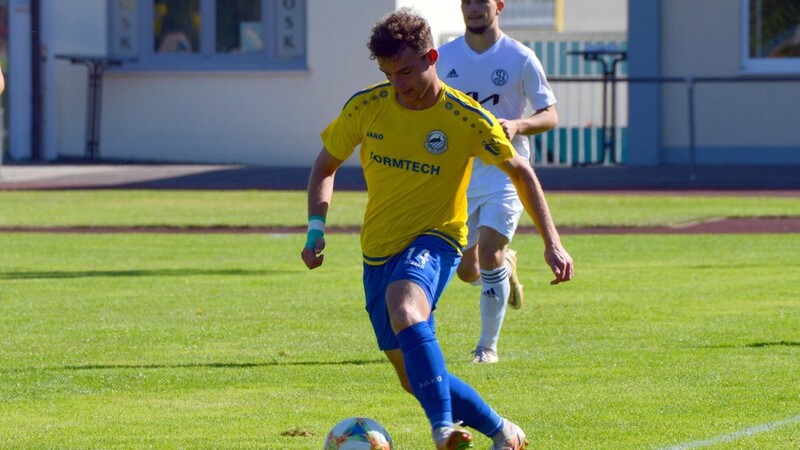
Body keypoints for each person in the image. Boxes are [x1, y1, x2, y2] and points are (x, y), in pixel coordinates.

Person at [301, 8, 573, 450]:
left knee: (405, 306)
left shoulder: (466, 118)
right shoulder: (366, 107)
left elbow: (521, 171)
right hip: (378, 250)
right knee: (417, 378)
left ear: (432, 58)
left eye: (407, 71)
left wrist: (552, 243)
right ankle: (504, 432)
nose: (399, 84)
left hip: (439, 237)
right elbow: (325, 165)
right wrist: (316, 227)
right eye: (390, 73)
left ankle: (443, 429)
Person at [436, 0, 559, 364]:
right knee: (467, 270)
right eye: (467, 2)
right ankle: (505, 273)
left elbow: (550, 114)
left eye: (482, 2)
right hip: (460, 173)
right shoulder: (442, 57)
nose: (473, 9)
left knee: (488, 254)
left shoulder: (520, 57)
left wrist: (518, 125)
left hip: (505, 171)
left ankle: (487, 348)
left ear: (499, 6)